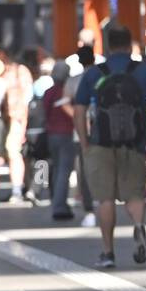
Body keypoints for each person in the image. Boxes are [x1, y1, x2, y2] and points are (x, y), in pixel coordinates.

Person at [73, 25, 146, 269]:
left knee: (105, 199)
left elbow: (78, 112)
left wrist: (85, 141)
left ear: (108, 45)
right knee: (135, 194)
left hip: (101, 143)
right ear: (130, 44)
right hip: (136, 142)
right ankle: (139, 225)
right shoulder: (144, 72)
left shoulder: (94, 73)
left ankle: (108, 252)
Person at [64, 38, 97, 225]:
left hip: (80, 130)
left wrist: (77, 117)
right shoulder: (102, 77)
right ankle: (103, 199)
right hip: (102, 129)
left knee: (84, 170)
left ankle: (90, 208)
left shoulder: (74, 81)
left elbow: (64, 102)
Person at [42, 61, 77, 220]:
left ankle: (58, 201)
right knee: (64, 170)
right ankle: (59, 205)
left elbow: (45, 112)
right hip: (67, 133)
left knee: (57, 169)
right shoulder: (68, 92)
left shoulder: (49, 92)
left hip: (52, 134)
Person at [0, 47, 35, 205]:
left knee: (15, 153)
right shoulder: (0, 73)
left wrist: (23, 121)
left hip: (17, 118)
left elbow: (27, 97)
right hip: (2, 118)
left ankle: (18, 189)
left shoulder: (20, 71)